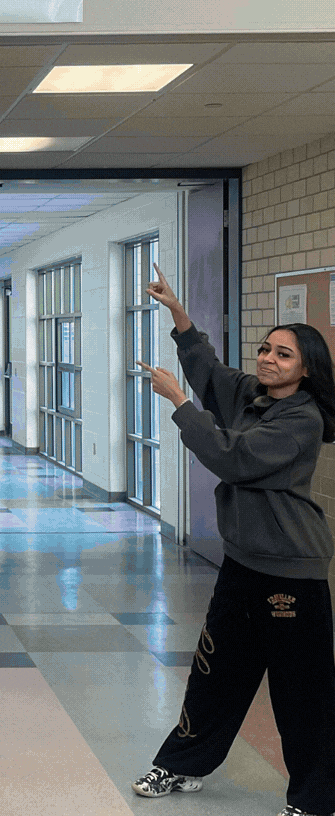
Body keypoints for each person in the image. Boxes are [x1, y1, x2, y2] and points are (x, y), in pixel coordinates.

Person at [132, 264, 335, 816]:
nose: (268, 358)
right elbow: (211, 372)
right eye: (267, 348)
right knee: (214, 669)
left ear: (307, 371)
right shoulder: (254, 396)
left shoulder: (302, 420)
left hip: (292, 571)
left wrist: (178, 404)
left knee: (301, 694)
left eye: (283, 354)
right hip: (244, 564)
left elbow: (234, 458)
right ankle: (182, 764)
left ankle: (315, 800)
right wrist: (179, 316)